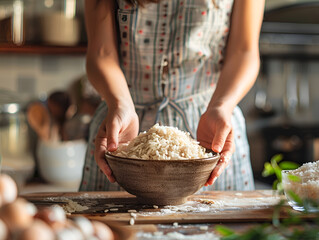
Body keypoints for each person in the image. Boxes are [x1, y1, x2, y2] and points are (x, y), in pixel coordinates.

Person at [79, 0, 265, 191]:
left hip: (212, 126)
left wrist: (222, 106)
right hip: (122, 128)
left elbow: (244, 51)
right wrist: (120, 103)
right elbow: (101, 52)